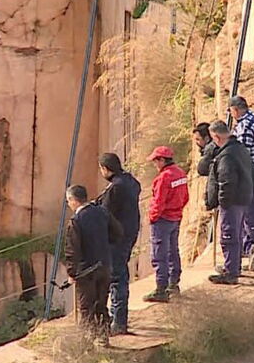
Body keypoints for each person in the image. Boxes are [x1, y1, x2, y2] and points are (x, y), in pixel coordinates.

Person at [64, 185, 122, 345]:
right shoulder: (102, 212)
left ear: (74, 200)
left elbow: (72, 249)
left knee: (86, 307)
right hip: (104, 265)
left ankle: (86, 342)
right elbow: (118, 232)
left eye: (68, 200)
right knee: (101, 303)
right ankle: (103, 337)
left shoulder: (76, 221)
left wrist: (72, 272)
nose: (69, 204)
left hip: (86, 271)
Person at [96, 152, 141, 335]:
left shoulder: (115, 188)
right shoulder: (131, 181)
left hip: (117, 237)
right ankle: (118, 318)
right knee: (120, 273)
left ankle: (119, 321)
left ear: (106, 169)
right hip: (130, 232)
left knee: (117, 278)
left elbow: (105, 214)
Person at [206, 120, 254, 284]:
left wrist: (222, 202)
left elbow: (226, 182)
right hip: (243, 197)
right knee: (237, 234)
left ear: (217, 137)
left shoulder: (226, 156)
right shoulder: (240, 148)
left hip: (232, 201)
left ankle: (231, 271)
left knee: (228, 236)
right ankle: (234, 267)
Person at [227, 96, 254, 272]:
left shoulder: (244, 129)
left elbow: (244, 159)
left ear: (236, 110)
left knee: (251, 219)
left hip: (253, 177)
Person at [144, 146, 189, 302]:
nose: (154, 164)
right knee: (172, 251)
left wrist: (152, 217)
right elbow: (185, 197)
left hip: (163, 219)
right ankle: (173, 284)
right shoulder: (180, 173)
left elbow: (159, 202)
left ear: (162, 160)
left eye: (155, 161)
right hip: (176, 217)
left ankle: (161, 288)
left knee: (159, 254)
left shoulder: (164, 178)